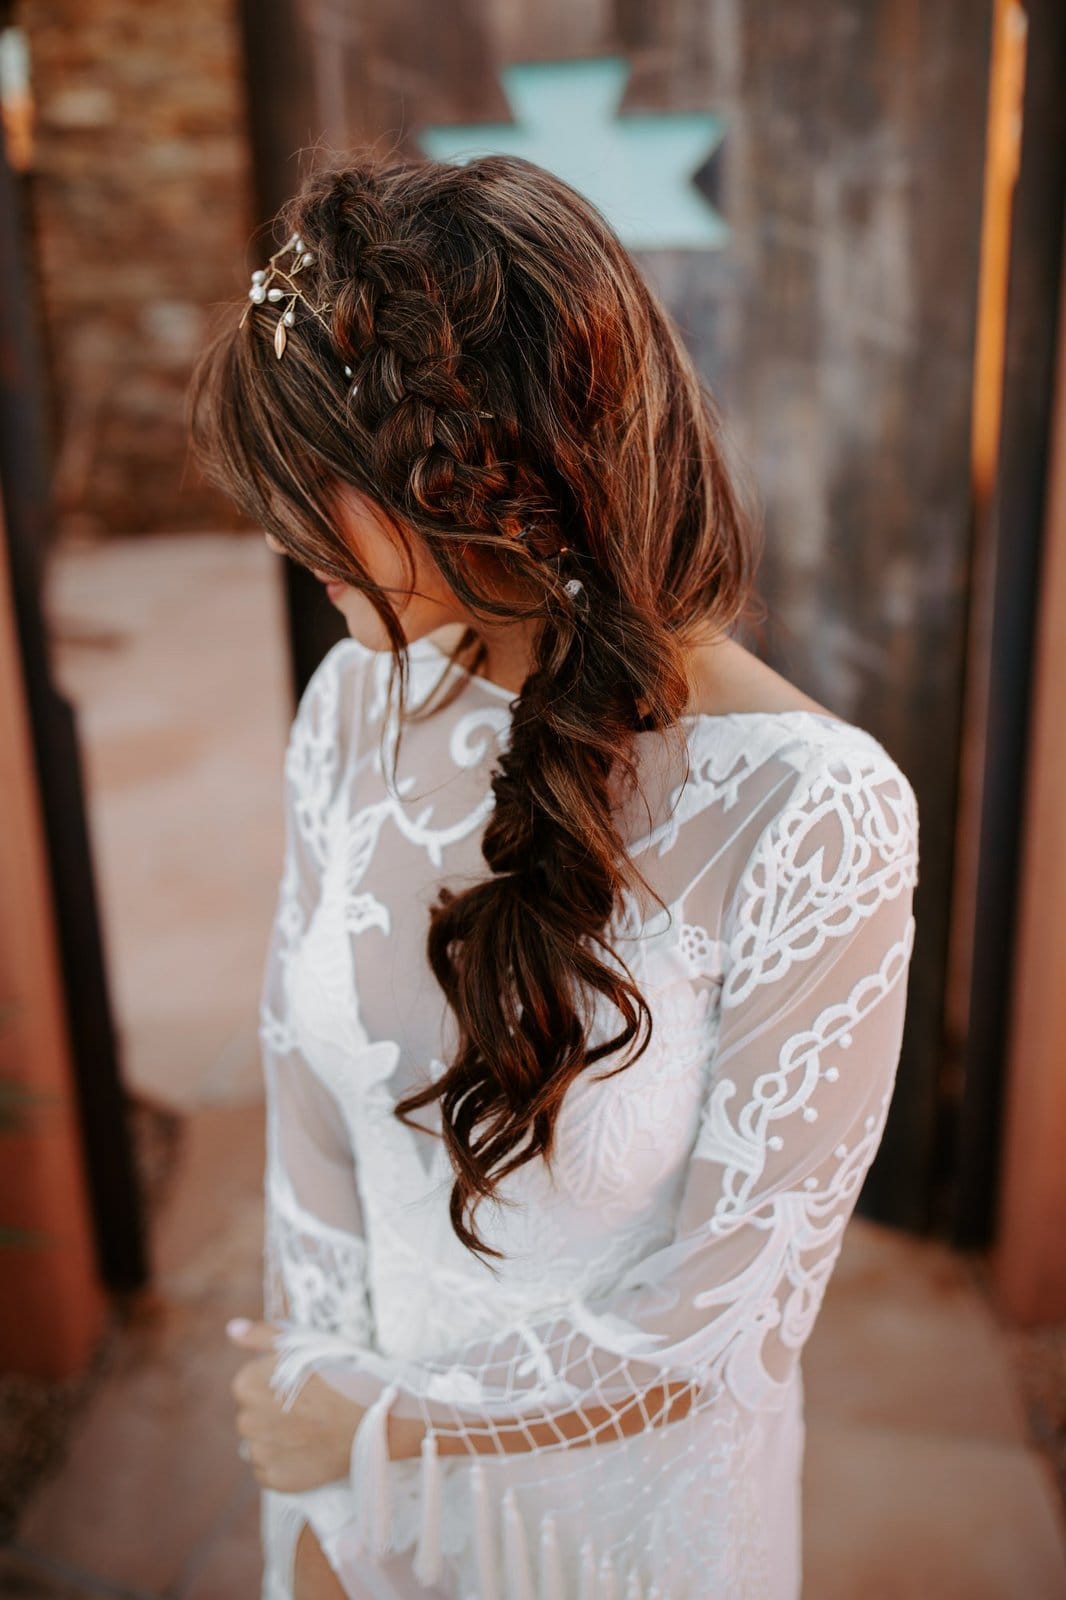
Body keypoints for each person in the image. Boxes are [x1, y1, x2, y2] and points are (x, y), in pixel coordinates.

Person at [186, 151, 920, 1600]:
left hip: (622, 1527)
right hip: (351, 1480)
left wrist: (386, 1424)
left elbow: (732, 1317)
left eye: (318, 482)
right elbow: (306, 1113)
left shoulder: (815, 812)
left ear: (494, 472)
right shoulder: (352, 703)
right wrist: (323, 1464)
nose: (278, 530)